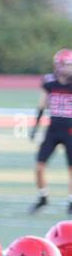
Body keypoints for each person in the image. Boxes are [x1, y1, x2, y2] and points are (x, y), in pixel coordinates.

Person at [30, 48, 72, 214]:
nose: (62, 69)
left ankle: (71, 199)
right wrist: (36, 126)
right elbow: (42, 105)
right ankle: (43, 196)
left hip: (70, 130)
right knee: (39, 165)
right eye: (59, 65)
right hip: (53, 129)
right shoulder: (49, 82)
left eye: (65, 65)